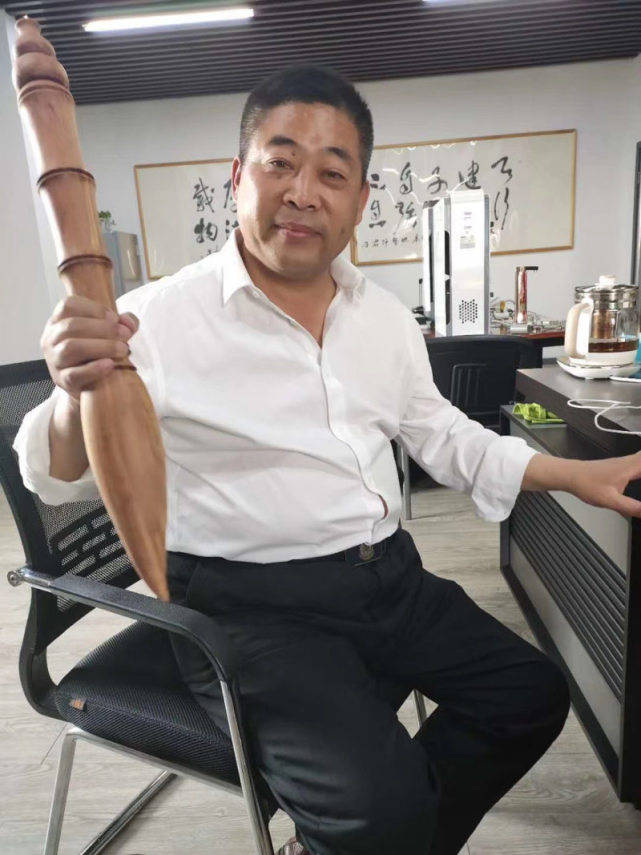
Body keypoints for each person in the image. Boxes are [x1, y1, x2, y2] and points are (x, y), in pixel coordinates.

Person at [13, 65, 641, 855]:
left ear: (361, 198)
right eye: (279, 163)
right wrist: (71, 393)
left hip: (388, 580)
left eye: (332, 173)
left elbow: (443, 435)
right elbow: (49, 475)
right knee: (382, 814)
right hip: (248, 611)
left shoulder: (382, 317)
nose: (303, 192)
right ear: (238, 177)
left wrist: (576, 474)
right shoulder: (152, 320)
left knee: (529, 694)